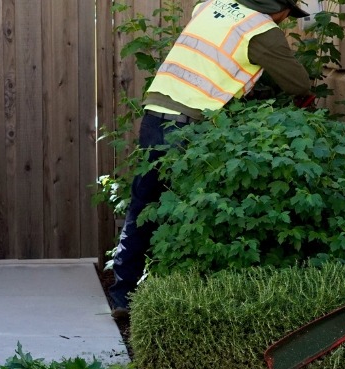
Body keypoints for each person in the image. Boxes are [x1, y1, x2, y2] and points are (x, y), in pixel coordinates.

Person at [108, 0, 314, 319]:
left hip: (155, 113)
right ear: (280, 8)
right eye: (288, 16)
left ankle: (123, 296)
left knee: (144, 204)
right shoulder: (263, 30)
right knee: (198, 209)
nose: (286, 22)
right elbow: (298, 83)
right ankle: (185, 300)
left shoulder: (210, 5)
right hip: (190, 126)